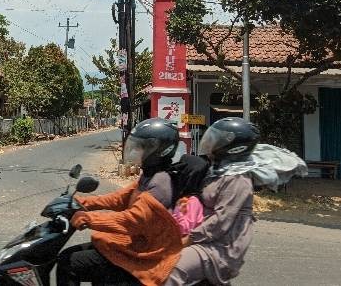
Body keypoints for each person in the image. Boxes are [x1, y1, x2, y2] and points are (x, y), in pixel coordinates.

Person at [56, 118, 184, 286]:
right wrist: (84, 202)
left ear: (159, 150)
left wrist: (89, 219)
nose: (136, 150)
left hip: (143, 254)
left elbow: (130, 221)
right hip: (134, 243)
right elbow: (120, 198)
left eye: (142, 146)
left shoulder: (160, 183)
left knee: (70, 263)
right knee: (70, 255)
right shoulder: (149, 175)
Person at [165, 117, 260, 286]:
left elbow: (220, 221)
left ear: (234, 147)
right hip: (207, 239)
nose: (212, 142)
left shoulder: (237, 179)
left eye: (219, 139)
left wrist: (188, 239)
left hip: (221, 247)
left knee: (171, 270)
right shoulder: (219, 170)